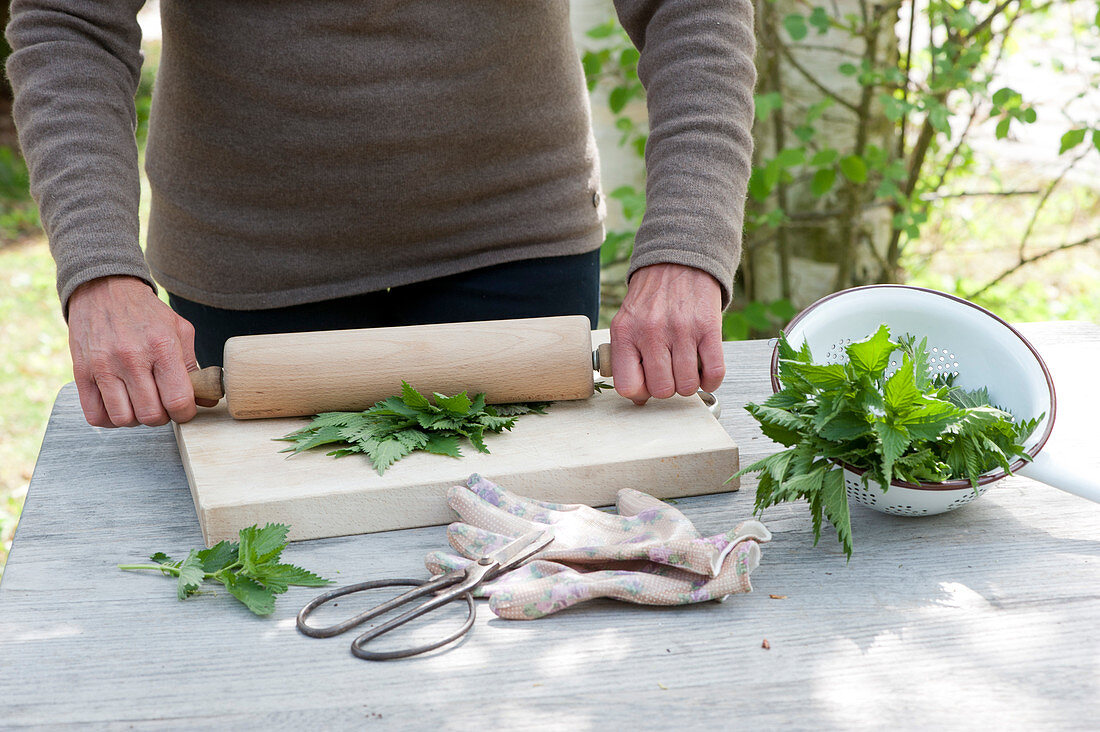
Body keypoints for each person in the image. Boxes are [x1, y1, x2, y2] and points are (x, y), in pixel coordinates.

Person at [5, 0, 755, 429]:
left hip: (520, 250)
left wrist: (688, 242)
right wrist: (101, 270)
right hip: (248, 274)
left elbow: (693, 9)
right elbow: (70, 23)